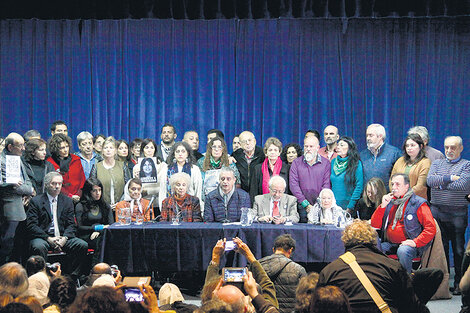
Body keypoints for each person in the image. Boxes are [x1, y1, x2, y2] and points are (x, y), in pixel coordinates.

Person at [317, 220, 435, 313]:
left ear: (345, 242)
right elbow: (410, 305)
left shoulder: (330, 270)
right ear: (374, 241)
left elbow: (317, 307)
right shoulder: (393, 266)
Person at [427, 135, 470, 294]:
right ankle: (443, 286)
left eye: (453, 147)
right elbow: (430, 181)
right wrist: (450, 178)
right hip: (437, 212)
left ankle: (459, 282)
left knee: (459, 250)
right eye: (447, 147)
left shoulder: (467, 165)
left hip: (457, 214)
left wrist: (441, 184)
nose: (449, 150)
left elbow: (462, 184)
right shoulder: (437, 163)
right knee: (441, 250)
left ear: (460, 148)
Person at [26, 172, 88, 279]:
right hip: (44, 237)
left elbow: (71, 224)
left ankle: (73, 276)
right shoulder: (36, 201)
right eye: (54, 183)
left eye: (59, 183)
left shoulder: (67, 201)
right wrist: (48, 238)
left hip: (62, 237)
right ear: (46, 185)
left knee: (82, 245)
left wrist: (65, 238)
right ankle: (43, 276)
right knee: (38, 246)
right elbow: (32, 226)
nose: (57, 186)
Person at [371, 173, 436, 273]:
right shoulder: (390, 201)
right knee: (373, 248)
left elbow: (430, 228)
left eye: (397, 184)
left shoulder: (418, 203)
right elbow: (375, 225)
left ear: (406, 186)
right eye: (392, 184)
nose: (394, 187)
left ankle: (406, 282)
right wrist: (382, 206)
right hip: (390, 243)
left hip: (410, 245)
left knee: (403, 251)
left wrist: (415, 242)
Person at [204, 237, 278, 312]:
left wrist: (215, 258)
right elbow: (267, 286)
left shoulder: (208, 309)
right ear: (245, 309)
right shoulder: (261, 309)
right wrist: (249, 256)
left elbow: (207, 295)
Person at [0, 133, 34, 264]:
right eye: (20, 145)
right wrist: (30, 190)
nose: (24, 148)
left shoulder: (17, 159)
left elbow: (27, 181)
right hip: (8, 209)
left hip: (20, 208)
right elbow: (15, 187)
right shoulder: (2, 161)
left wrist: (29, 189)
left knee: (17, 244)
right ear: (10, 147)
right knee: (6, 244)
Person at [258, 234, 306, 313]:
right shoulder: (299, 270)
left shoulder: (259, 266)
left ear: (273, 250)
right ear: (290, 250)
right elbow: (305, 299)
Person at [289, 135, 331, 223]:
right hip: (301, 206)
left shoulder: (326, 163)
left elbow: (326, 185)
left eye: (311, 146)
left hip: (321, 206)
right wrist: (305, 204)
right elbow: (293, 185)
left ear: (317, 148)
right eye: (306, 146)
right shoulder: (296, 163)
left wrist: (318, 205)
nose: (308, 149)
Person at [75, 178, 113, 254]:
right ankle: (97, 265)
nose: (98, 193)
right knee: (100, 240)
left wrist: (100, 231)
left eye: (99, 190)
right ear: (88, 192)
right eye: (94, 191)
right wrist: (97, 228)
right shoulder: (80, 206)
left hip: (102, 233)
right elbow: (80, 227)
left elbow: (111, 225)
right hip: (86, 235)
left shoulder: (105, 205)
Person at [158, 142, 202, 209]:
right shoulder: (166, 169)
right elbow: (162, 191)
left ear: (187, 154)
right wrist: (162, 208)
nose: (180, 154)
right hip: (170, 207)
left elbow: (198, 191)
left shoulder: (194, 169)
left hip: (190, 207)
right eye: (177, 151)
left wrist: (198, 208)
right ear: (174, 154)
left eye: (183, 151)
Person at [90, 136, 131, 208]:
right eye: (105, 148)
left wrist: (120, 203)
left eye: (111, 148)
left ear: (115, 151)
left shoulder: (122, 166)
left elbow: (128, 187)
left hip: (121, 207)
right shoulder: (96, 167)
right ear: (102, 151)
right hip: (102, 207)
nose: (108, 150)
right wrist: (103, 204)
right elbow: (92, 188)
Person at [197, 137, 240, 201]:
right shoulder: (201, 162)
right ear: (210, 149)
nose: (216, 149)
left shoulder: (229, 162)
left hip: (226, 198)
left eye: (219, 147)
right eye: (214, 147)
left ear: (223, 149)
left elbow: (237, 182)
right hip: (206, 199)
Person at [390, 134, 431, 199]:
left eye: (412, 145)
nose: (409, 148)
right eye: (407, 146)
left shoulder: (425, 162)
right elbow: (392, 179)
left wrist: (404, 195)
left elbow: (421, 186)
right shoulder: (400, 160)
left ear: (421, 146)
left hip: (416, 200)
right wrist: (396, 192)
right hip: (398, 198)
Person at [249, 137, 290, 203]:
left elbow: (288, 190)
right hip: (262, 205)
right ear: (266, 153)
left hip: (282, 204)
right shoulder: (258, 168)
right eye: (270, 150)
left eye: (275, 150)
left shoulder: (287, 168)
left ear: (279, 152)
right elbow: (253, 191)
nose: (272, 152)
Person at [47, 133, 86, 202]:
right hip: (59, 198)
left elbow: (82, 180)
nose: (65, 150)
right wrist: (69, 196)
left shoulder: (76, 159)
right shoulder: (50, 162)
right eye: (62, 148)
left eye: (67, 146)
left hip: (78, 198)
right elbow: (52, 183)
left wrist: (78, 195)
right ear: (55, 149)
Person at [330, 136, 363, 213]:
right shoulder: (333, 162)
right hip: (333, 206)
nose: (338, 147)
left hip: (348, 207)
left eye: (342, 145)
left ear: (350, 148)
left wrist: (350, 207)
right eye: (338, 145)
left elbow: (359, 186)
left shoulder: (356, 163)